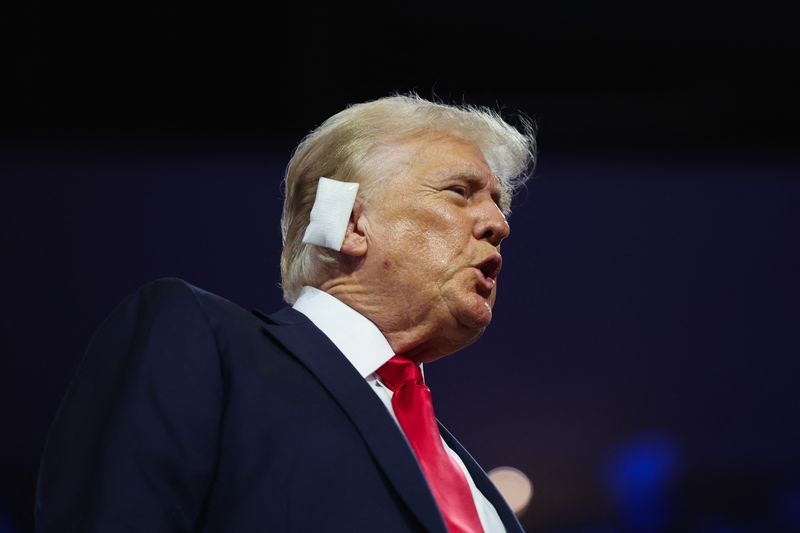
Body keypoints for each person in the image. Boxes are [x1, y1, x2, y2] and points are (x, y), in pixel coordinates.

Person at [35, 93, 535, 532]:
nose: (498, 224)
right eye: (459, 192)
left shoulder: (468, 478)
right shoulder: (204, 344)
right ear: (350, 224)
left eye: (498, 203)